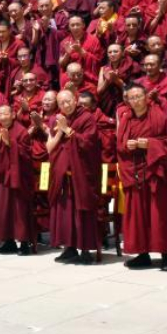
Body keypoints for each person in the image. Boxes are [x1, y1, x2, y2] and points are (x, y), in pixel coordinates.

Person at [116, 84, 167, 270]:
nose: (135, 100)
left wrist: (150, 144)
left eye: (138, 96)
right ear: (127, 100)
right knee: (138, 216)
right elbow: (119, 146)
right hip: (134, 172)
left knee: (159, 214)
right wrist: (128, 146)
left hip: (155, 172)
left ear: (146, 97)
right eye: (131, 97)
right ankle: (142, 254)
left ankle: (166, 255)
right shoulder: (126, 118)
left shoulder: (159, 116)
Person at [45, 90, 101, 263]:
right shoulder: (55, 119)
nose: (65, 105)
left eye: (68, 101)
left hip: (81, 174)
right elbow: (50, 147)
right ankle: (69, 248)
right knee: (66, 213)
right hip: (63, 175)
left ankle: (85, 251)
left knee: (82, 212)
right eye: (61, 103)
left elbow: (89, 143)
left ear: (76, 100)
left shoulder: (87, 118)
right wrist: (62, 131)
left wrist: (68, 129)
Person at [0, 104, 36, 255]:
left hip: (17, 178)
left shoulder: (21, 132)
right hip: (1, 178)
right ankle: (8, 241)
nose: (2, 117)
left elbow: (26, 156)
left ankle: (24, 243)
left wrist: (9, 143)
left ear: (13, 115)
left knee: (19, 210)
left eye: (5, 114)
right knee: (3, 211)